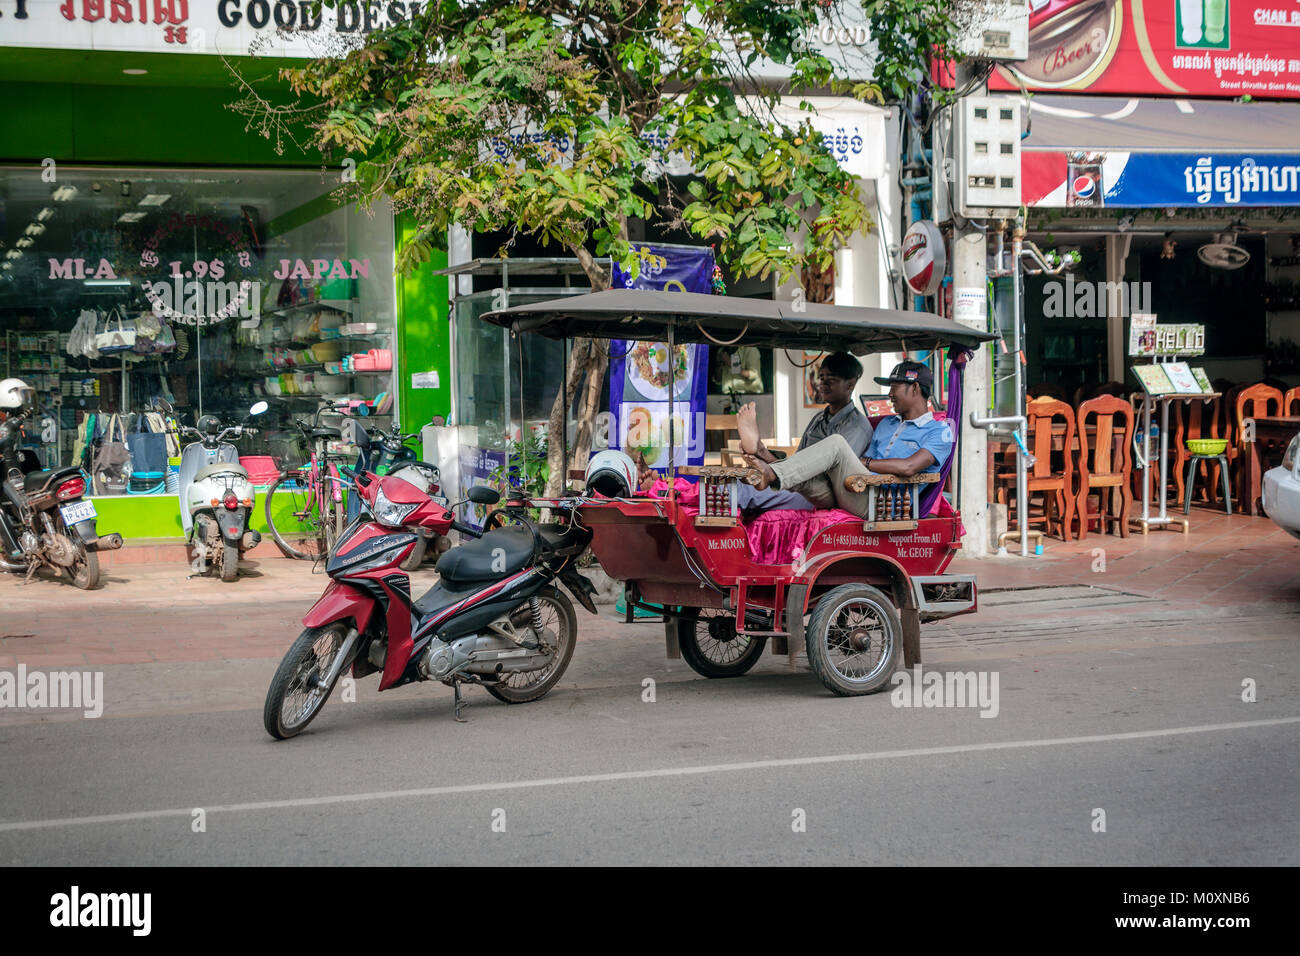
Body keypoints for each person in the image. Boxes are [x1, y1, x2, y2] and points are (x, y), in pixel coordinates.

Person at [740, 360, 954, 518]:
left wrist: (866, 463)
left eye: (894, 387)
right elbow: (862, 462)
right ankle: (767, 465)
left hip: (882, 505)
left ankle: (770, 471)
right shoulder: (887, 424)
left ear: (915, 388)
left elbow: (909, 467)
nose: (889, 394)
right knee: (803, 477)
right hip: (856, 491)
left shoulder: (939, 431)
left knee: (836, 443)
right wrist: (863, 464)